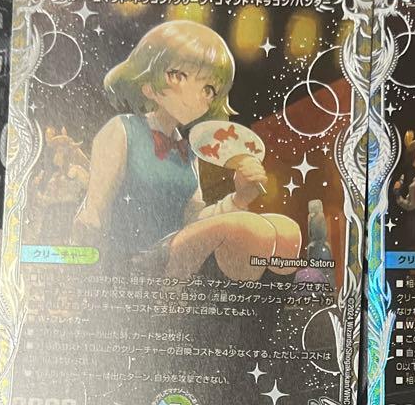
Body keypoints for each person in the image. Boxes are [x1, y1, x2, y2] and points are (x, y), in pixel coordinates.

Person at [71, 21, 300, 282]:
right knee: (251, 229)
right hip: (131, 259)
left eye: (209, 89)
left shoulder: (187, 150)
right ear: (148, 85)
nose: (200, 94)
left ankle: (262, 306)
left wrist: (240, 197)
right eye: (179, 75)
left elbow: (194, 218)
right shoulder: (122, 130)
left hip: (176, 251)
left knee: (286, 231)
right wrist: (82, 273)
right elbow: (94, 210)